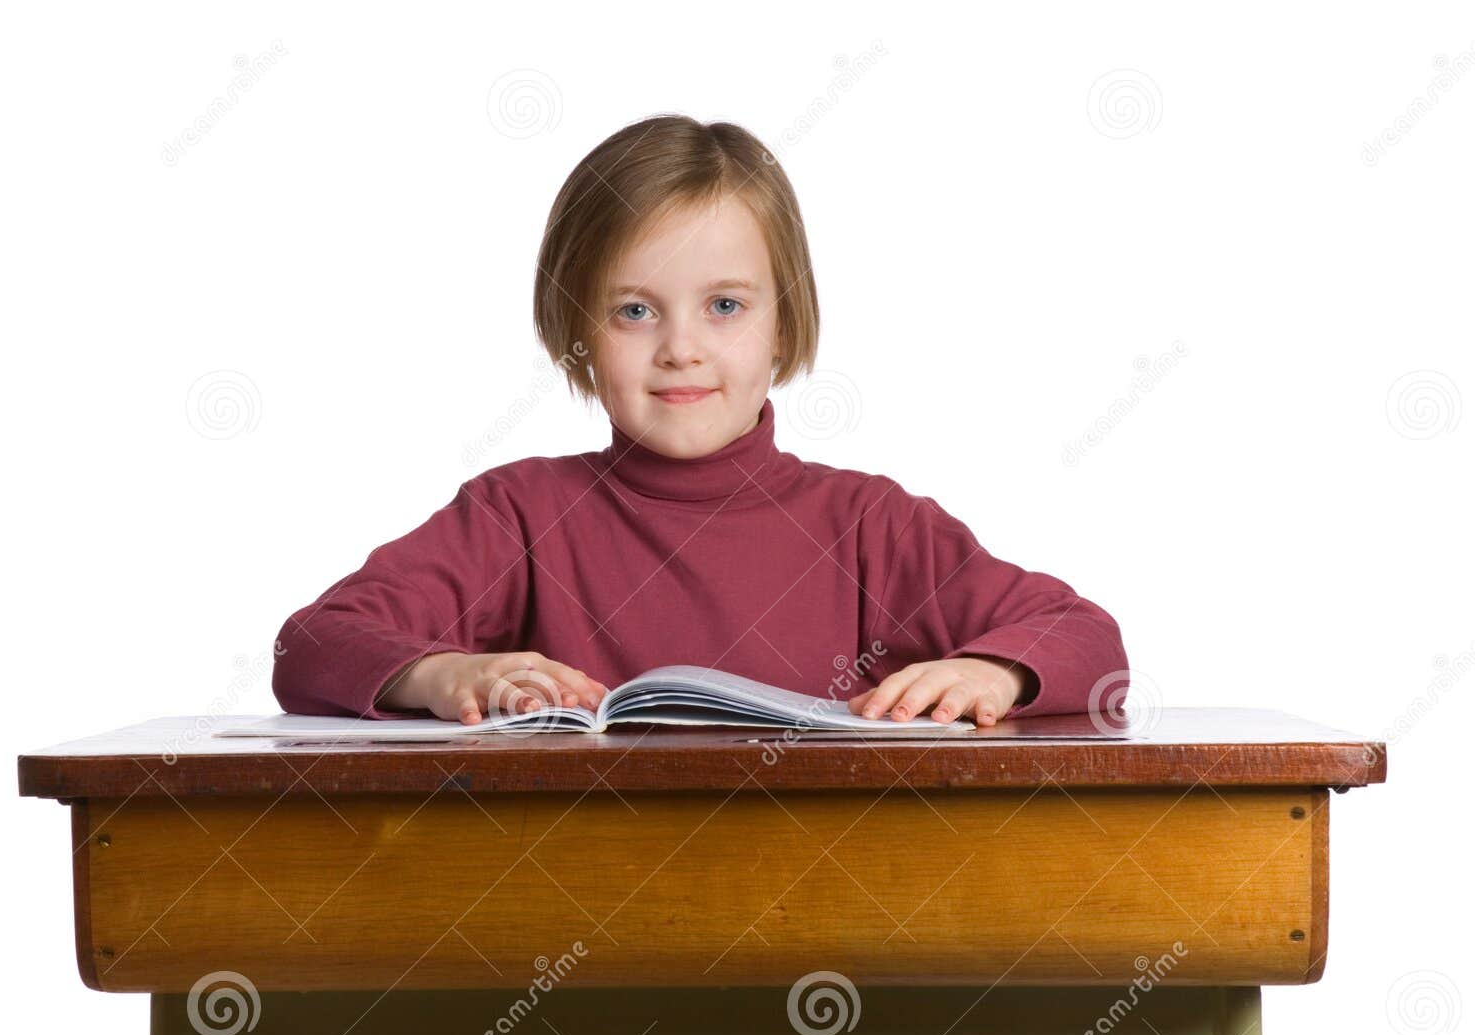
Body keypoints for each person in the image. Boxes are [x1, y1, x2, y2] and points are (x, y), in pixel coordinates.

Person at [272, 114, 1128, 727]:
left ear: (783, 324)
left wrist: (996, 671)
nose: (681, 348)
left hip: (826, 913)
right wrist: (441, 672)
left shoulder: (873, 527)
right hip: (565, 915)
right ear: (578, 332)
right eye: (635, 312)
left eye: (724, 305)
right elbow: (312, 644)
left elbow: (1087, 636)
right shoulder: (518, 515)